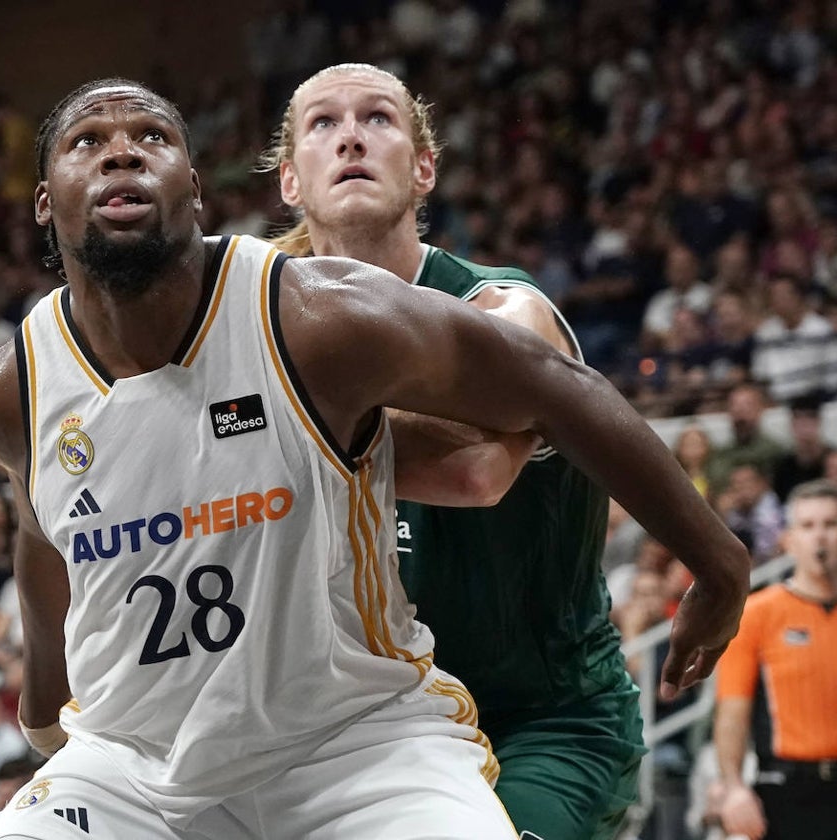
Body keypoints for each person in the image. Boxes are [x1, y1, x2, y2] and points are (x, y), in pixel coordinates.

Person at [0, 78, 748, 840]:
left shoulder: (323, 316)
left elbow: (522, 421)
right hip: (137, 764)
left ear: (196, 190)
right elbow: (45, 532)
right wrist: (44, 710)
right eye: (89, 141)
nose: (122, 155)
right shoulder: (13, 391)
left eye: (151, 138)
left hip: (392, 731)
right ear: (44, 200)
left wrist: (717, 563)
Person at [264, 61, 646, 840]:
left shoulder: (505, 308)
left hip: (541, 719)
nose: (350, 139)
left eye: (377, 118)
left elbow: (476, 470)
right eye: (323, 125)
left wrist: (274, 426)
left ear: (424, 167)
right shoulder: (265, 329)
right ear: (290, 183)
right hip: (372, 731)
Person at [713, 479, 837, 840]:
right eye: (808, 525)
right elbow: (732, 711)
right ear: (788, 538)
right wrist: (734, 788)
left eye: (831, 524)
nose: (821, 537)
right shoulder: (758, 613)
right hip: (786, 787)